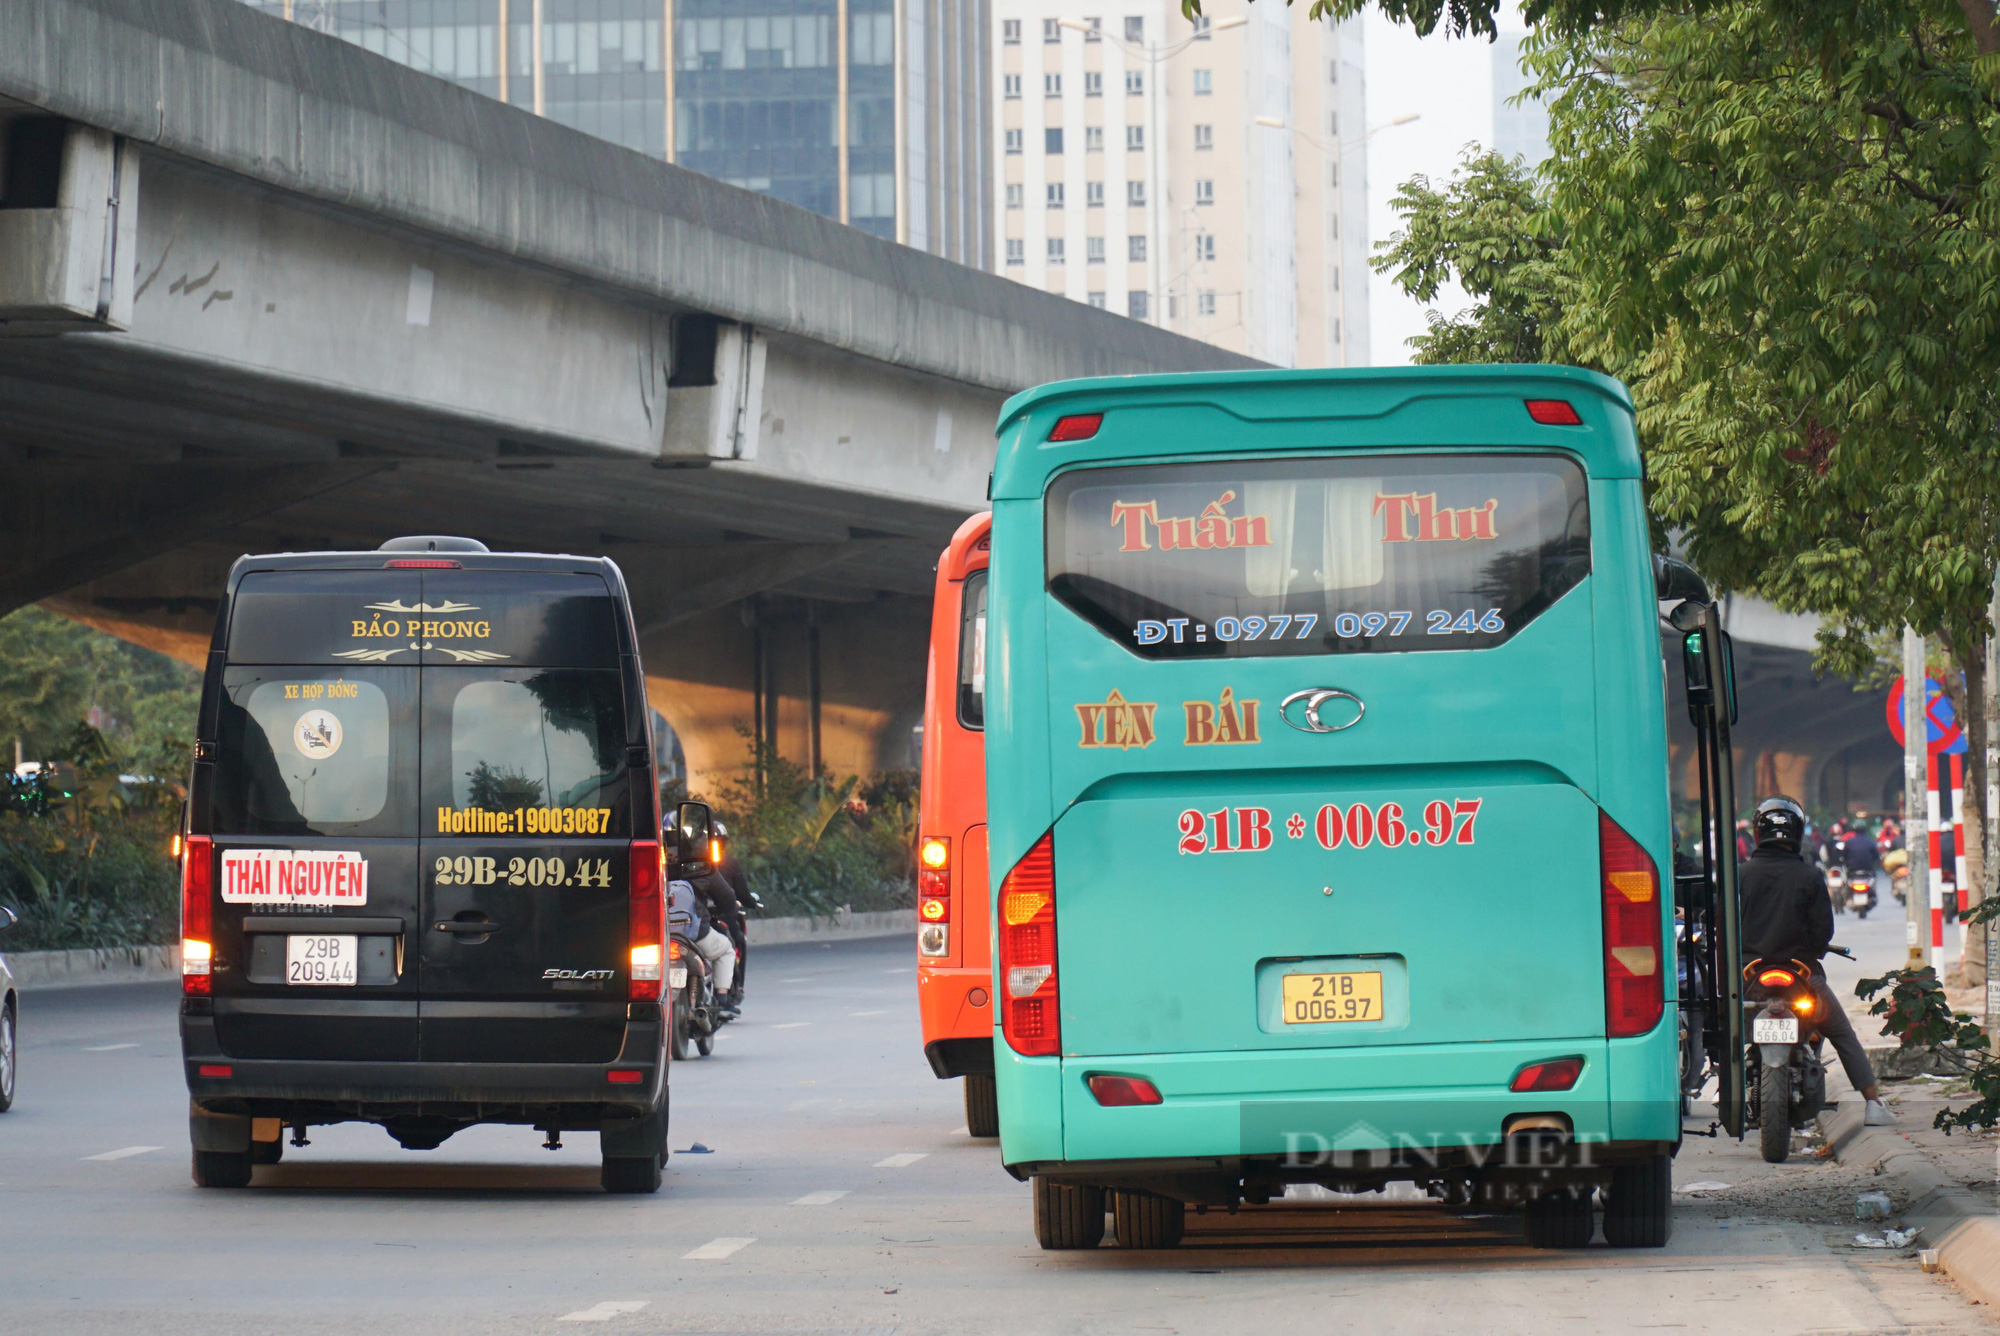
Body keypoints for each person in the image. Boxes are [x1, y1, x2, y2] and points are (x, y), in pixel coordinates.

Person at [1739, 795, 1896, 1126]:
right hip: (1802, 976)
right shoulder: (1809, 876)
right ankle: (1873, 1104)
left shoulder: (1740, 876)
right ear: (1797, 833)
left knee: (1724, 1030)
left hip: (1748, 978)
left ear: (1757, 832)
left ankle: (1725, 1086)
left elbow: (1724, 928)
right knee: (1841, 1033)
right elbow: (1822, 932)